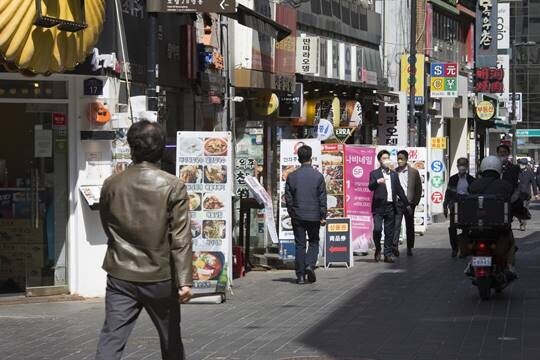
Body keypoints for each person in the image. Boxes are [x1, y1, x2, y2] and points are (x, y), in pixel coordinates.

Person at [96, 120, 193, 360]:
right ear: (161, 148)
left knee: (112, 338)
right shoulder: (173, 185)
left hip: (120, 274)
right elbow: (179, 236)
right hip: (160, 276)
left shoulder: (112, 184)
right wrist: (184, 281)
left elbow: (107, 224)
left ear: (132, 148)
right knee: (170, 338)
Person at [284, 145, 327, 284]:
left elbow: (288, 198)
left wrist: (292, 212)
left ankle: (301, 276)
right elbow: (322, 198)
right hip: (314, 215)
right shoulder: (318, 176)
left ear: (299, 158)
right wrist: (322, 215)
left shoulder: (292, 176)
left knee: (300, 244)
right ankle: (310, 264)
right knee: (314, 242)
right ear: (311, 157)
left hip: (298, 215)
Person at [468, 155, 516, 276]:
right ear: (499, 169)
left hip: (476, 228)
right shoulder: (506, 186)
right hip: (499, 228)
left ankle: (470, 264)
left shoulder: (473, 185)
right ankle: (509, 266)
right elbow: (515, 202)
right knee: (511, 242)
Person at [368, 150, 410, 263]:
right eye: (384, 158)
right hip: (378, 206)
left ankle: (387, 254)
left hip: (391, 206)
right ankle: (378, 248)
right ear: (379, 160)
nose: (386, 160)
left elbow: (399, 190)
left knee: (389, 231)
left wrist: (407, 204)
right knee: (377, 229)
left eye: (387, 158)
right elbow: (370, 187)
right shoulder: (374, 173)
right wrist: (377, 181)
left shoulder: (393, 174)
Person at [443, 158, 475, 258]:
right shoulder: (453, 179)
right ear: (457, 165)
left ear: (467, 166)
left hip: (467, 207)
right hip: (454, 206)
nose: (462, 166)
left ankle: (464, 249)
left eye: (464, 164)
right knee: (453, 227)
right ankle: (454, 248)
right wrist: (445, 206)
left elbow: (475, 193)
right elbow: (448, 193)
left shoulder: (471, 179)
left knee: (467, 228)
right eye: (460, 164)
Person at [393, 150, 422, 257]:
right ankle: (394, 247)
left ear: (406, 159)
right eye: (398, 158)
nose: (399, 161)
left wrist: (415, 202)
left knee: (410, 226)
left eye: (402, 159)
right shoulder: (394, 172)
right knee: (396, 225)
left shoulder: (414, 172)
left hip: (409, 203)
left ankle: (409, 247)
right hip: (398, 203)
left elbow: (419, 188)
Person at [517, 158, 539, 231]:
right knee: (519, 210)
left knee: (525, 209)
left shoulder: (530, 173)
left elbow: (534, 184)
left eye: (522, 164)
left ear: (525, 165)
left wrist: (536, 194)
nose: (520, 165)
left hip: (526, 194)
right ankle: (521, 221)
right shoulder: (517, 172)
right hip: (518, 194)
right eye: (520, 164)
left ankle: (523, 224)